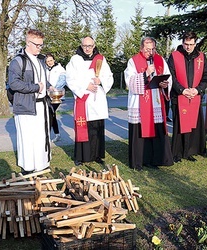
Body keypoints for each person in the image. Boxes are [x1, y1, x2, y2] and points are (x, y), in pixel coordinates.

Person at [124, 37, 174, 171]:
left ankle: (155, 160)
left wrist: (165, 84)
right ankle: (139, 161)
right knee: (140, 132)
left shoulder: (160, 60)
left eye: (152, 49)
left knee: (156, 131)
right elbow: (129, 82)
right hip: (140, 103)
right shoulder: (133, 61)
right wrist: (145, 73)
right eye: (147, 49)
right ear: (141, 48)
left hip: (156, 101)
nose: (150, 52)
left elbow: (168, 76)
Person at [7, 29, 53, 174]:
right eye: (37, 45)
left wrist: (50, 88)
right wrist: (35, 87)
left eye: (41, 45)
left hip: (41, 105)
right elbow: (13, 84)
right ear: (28, 42)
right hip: (25, 106)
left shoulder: (40, 60)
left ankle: (41, 165)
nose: (40, 48)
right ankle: (27, 168)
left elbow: (43, 80)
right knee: (27, 138)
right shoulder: (18, 61)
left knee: (41, 136)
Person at [66, 36, 114, 166]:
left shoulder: (100, 59)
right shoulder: (75, 60)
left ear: (94, 46)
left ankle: (97, 155)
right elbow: (70, 78)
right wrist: (85, 86)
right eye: (85, 46)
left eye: (90, 46)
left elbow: (109, 76)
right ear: (81, 46)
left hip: (97, 98)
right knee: (84, 127)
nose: (87, 49)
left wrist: (101, 81)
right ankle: (80, 157)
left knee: (97, 127)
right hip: (84, 98)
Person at [168, 31, 207, 163]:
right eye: (186, 44)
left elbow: (206, 77)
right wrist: (182, 90)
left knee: (192, 125)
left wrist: (197, 90)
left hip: (194, 97)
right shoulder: (174, 56)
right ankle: (177, 153)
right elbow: (171, 76)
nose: (188, 47)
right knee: (179, 126)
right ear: (182, 43)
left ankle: (189, 151)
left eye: (191, 44)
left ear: (195, 43)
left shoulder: (202, 57)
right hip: (179, 96)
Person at [45, 53, 67, 143]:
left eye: (51, 60)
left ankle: (47, 136)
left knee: (50, 112)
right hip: (47, 95)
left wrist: (53, 89)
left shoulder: (60, 69)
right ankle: (57, 134)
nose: (49, 62)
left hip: (57, 95)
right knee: (51, 114)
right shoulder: (45, 69)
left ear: (54, 60)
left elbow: (62, 81)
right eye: (47, 61)